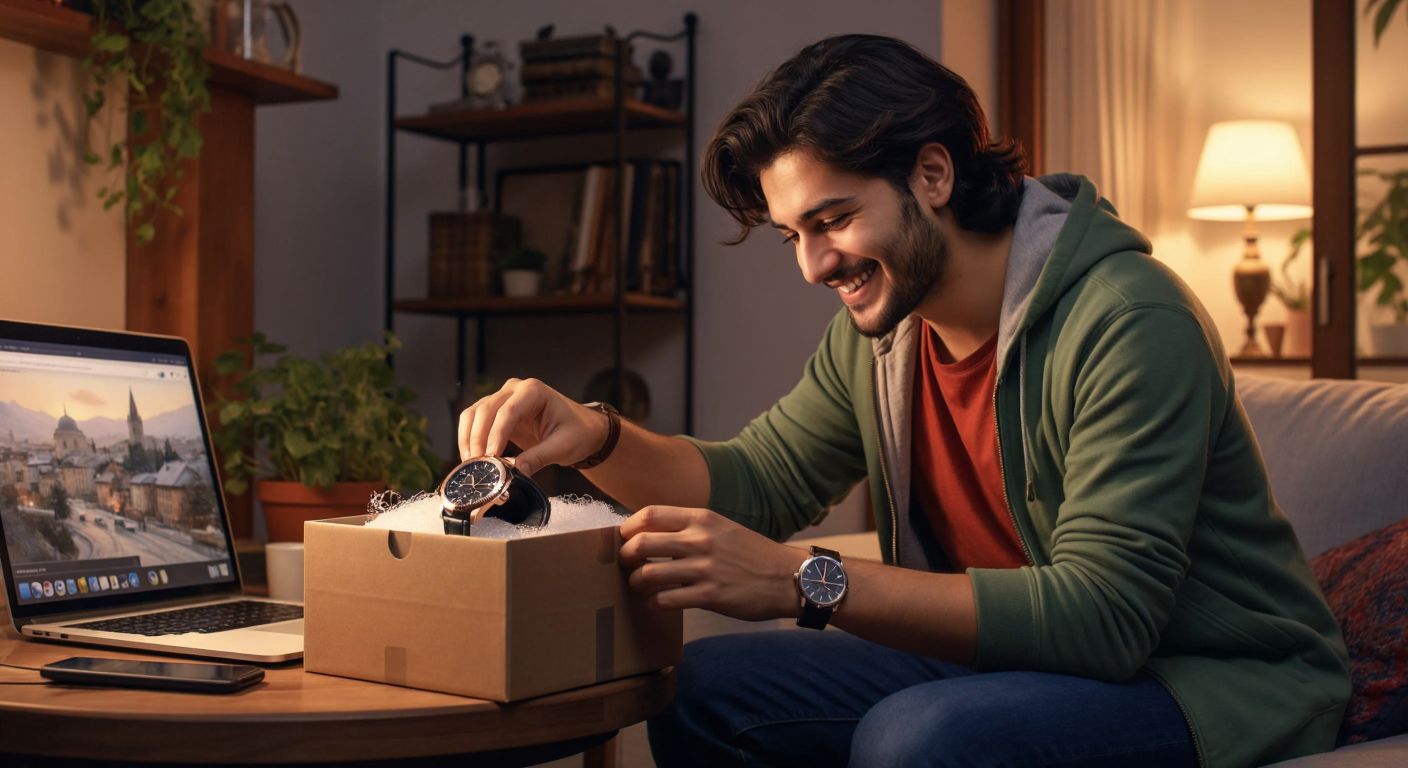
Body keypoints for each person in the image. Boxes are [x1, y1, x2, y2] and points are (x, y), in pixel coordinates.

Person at [458, 35, 1349, 768]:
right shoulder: (884, 332)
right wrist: (594, 436)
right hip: (1007, 661)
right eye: (793, 236)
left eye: (834, 219)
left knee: (917, 740)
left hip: (1205, 680)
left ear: (932, 175)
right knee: (697, 688)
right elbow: (758, 481)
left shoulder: (1128, 319)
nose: (814, 264)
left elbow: (1105, 620)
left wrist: (802, 581)